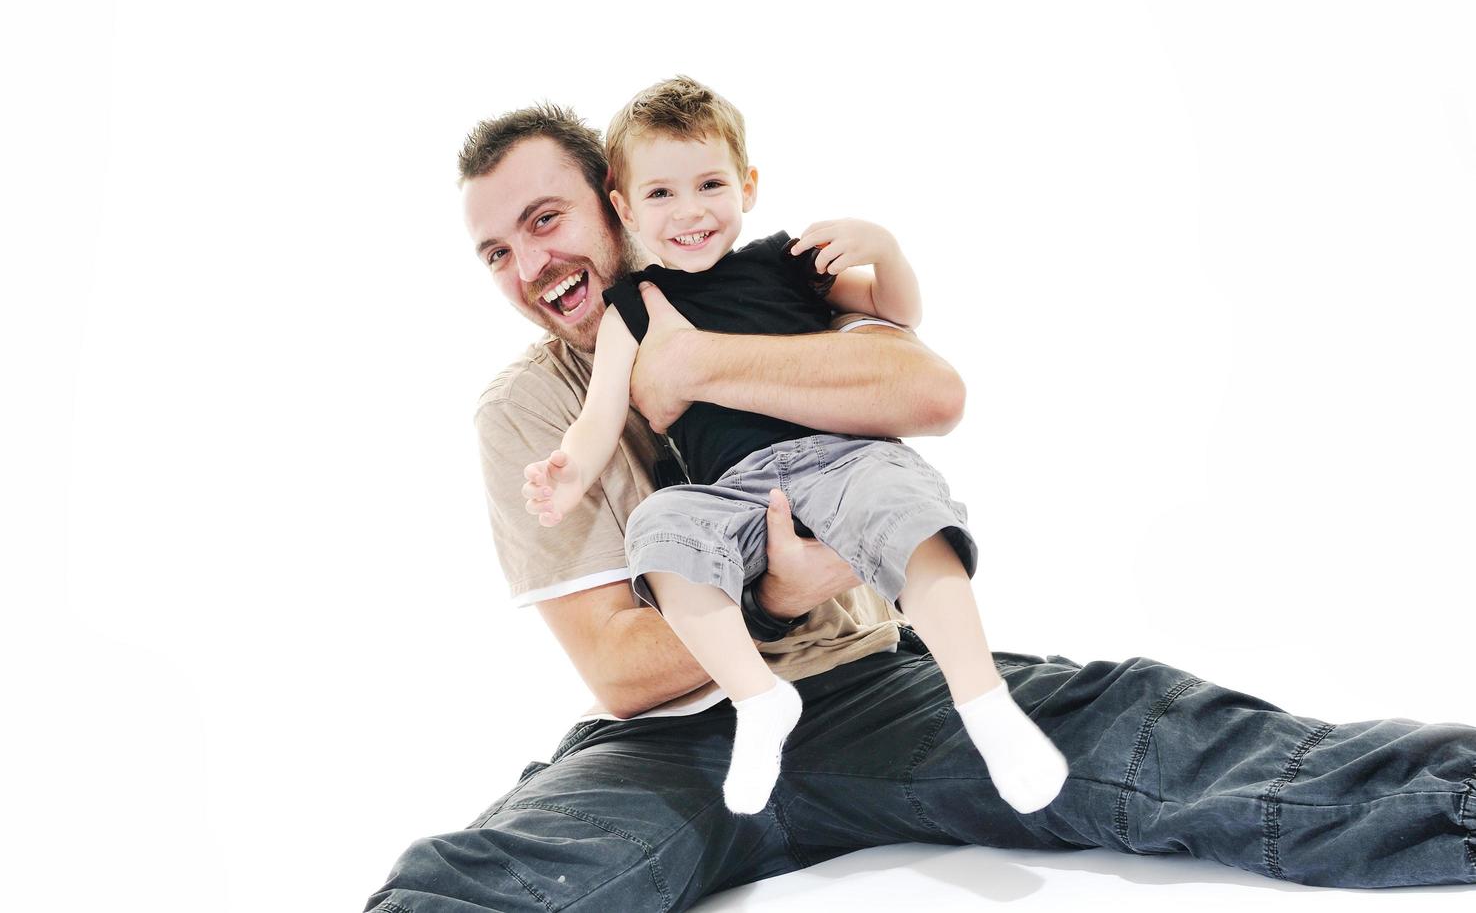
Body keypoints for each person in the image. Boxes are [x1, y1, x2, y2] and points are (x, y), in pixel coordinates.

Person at [363, 103, 1476, 911]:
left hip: (875, 686)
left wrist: (702, 363)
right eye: (497, 251)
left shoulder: (753, 291)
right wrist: (776, 594)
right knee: (514, 880)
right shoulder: (525, 409)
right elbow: (617, 666)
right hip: (673, 745)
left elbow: (926, 389)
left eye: (546, 219)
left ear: (614, 201)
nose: (529, 263)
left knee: (1153, 735)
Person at [519, 76, 1066, 816]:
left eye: (710, 184)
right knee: (663, 527)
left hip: (839, 458)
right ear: (623, 207)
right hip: (735, 490)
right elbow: (600, 414)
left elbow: (898, 313)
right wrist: (568, 470)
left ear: (747, 184)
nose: (689, 212)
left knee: (900, 503)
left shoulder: (787, 262)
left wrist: (888, 251)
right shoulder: (631, 309)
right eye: (660, 195)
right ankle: (758, 700)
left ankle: (983, 700)